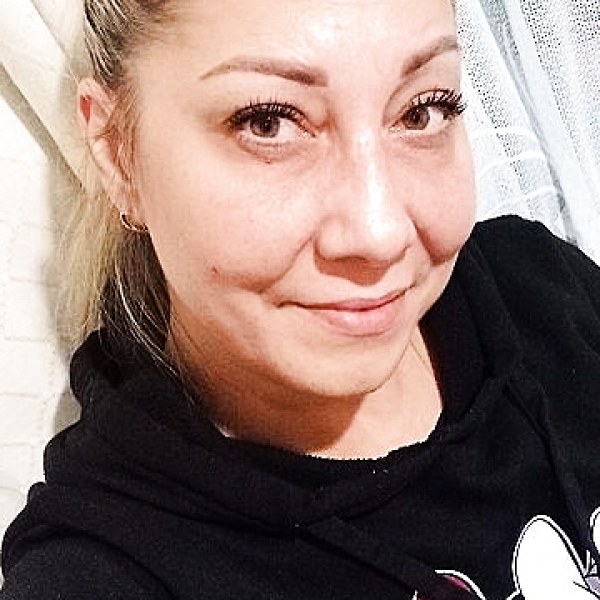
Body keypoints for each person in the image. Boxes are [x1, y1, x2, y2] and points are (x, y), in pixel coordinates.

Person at [2, 0, 600, 598]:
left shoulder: (540, 285)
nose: (379, 233)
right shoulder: (101, 574)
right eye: (268, 123)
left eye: (423, 110)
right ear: (116, 152)